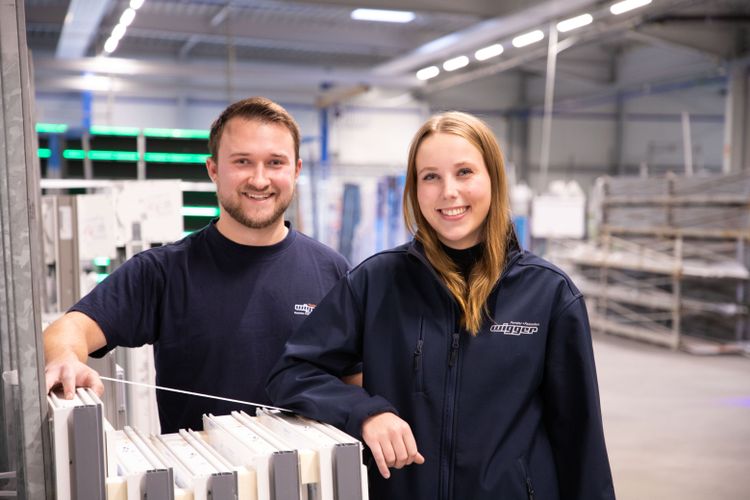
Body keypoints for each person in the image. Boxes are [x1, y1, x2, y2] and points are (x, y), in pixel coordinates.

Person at [267, 111, 616, 499]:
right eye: (430, 176)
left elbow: (580, 442)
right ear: (415, 189)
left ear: (493, 178)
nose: (448, 191)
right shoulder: (376, 282)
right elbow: (293, 373)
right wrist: (364, 412)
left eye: (464, 172)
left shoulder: (549, 294)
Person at [44, 96, 352, 433]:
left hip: (312, 465)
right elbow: (69, 329)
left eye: (275, 163)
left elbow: (356, 380)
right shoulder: (163, 271)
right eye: (243, 162)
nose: (259, 180)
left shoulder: (332, 271)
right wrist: (65, 358)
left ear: (296, 170)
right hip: (199, 467)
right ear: (213, 170)